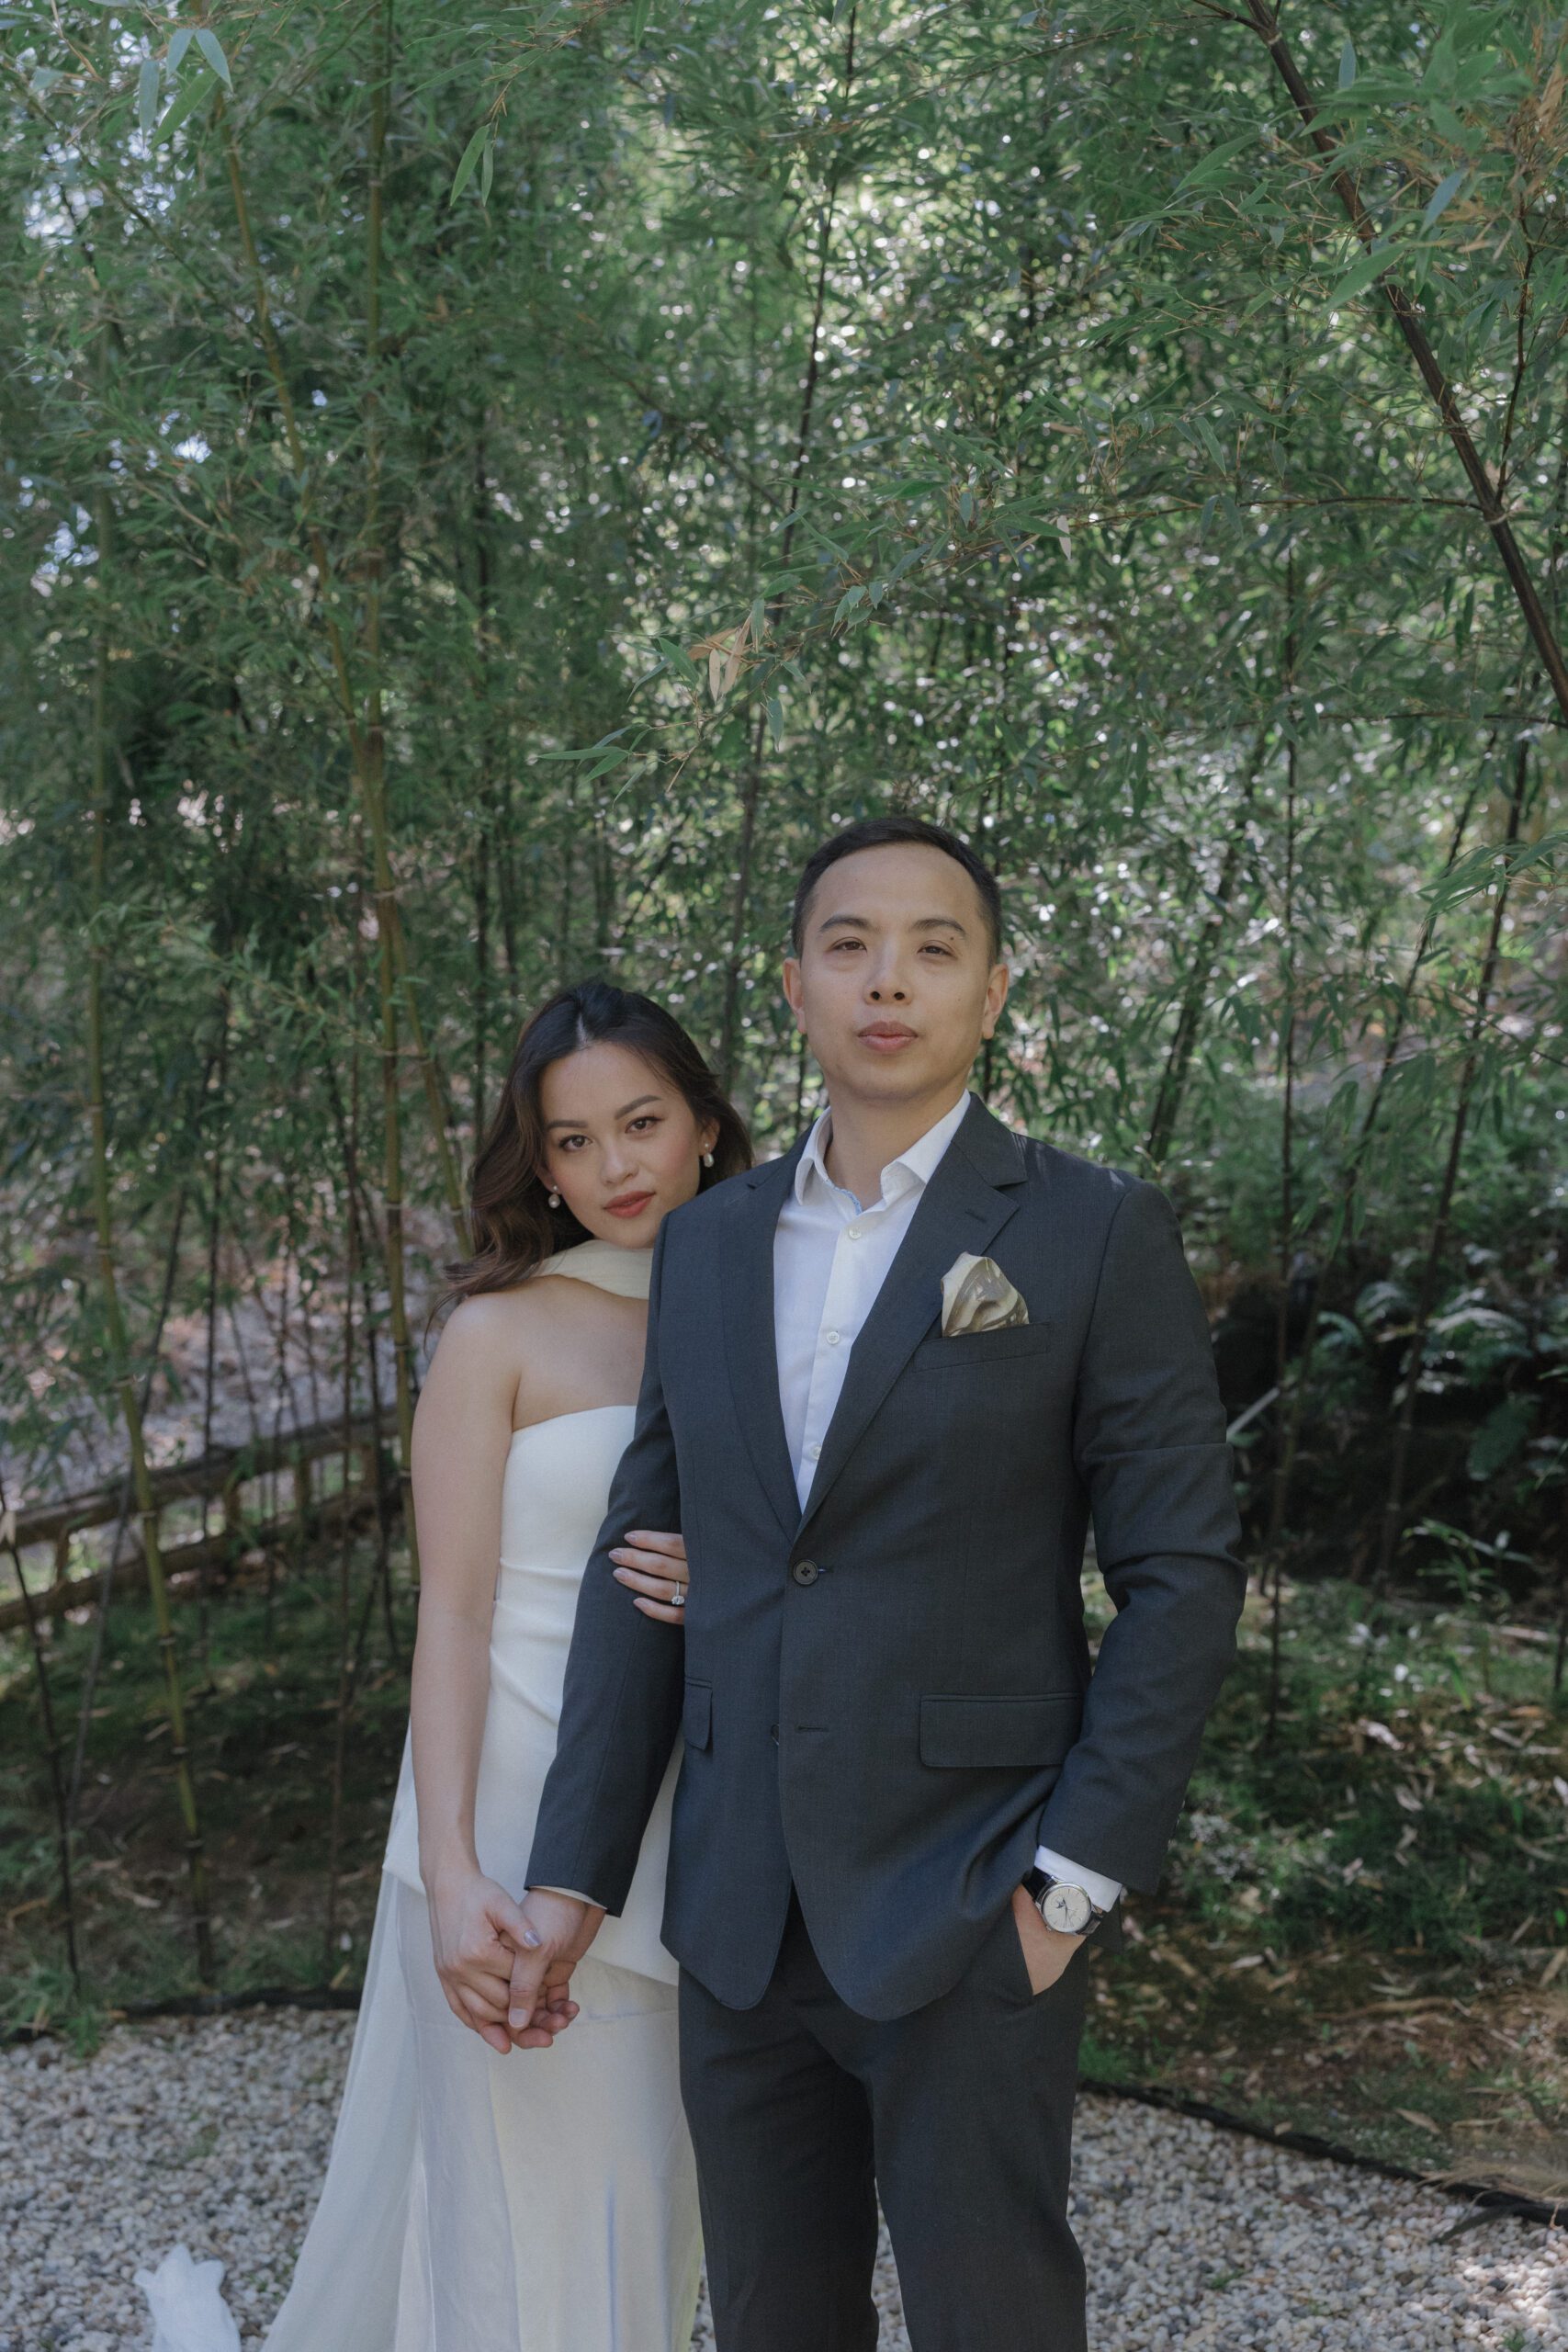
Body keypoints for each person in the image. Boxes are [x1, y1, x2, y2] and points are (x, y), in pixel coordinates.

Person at [513, 815, 1246, 2352]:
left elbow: (1179, 1571)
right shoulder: (709, 1242)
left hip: (974, 1892)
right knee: (774, 2323)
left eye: (934, 946)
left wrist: (1073, 1883)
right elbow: (644, 1563)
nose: (887, 980)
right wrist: (573, 1879)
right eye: (849, 945)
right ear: (795, 987)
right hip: (736, 1911)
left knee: (996, 2321)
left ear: (991, 993)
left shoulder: (1088, 1229)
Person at [144, 980, 750, 2352]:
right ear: (538, 1163)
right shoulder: (498, 1333)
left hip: (691, 1837)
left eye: (643, 1122)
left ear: (706, 1125)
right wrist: (457, 1869)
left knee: (647, 2221)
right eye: (575, 1141)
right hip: (498, 1821)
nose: (617, 1166)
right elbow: (456, 1618)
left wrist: (752, 1586)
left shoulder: (767, 1314)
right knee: (507, 2242)